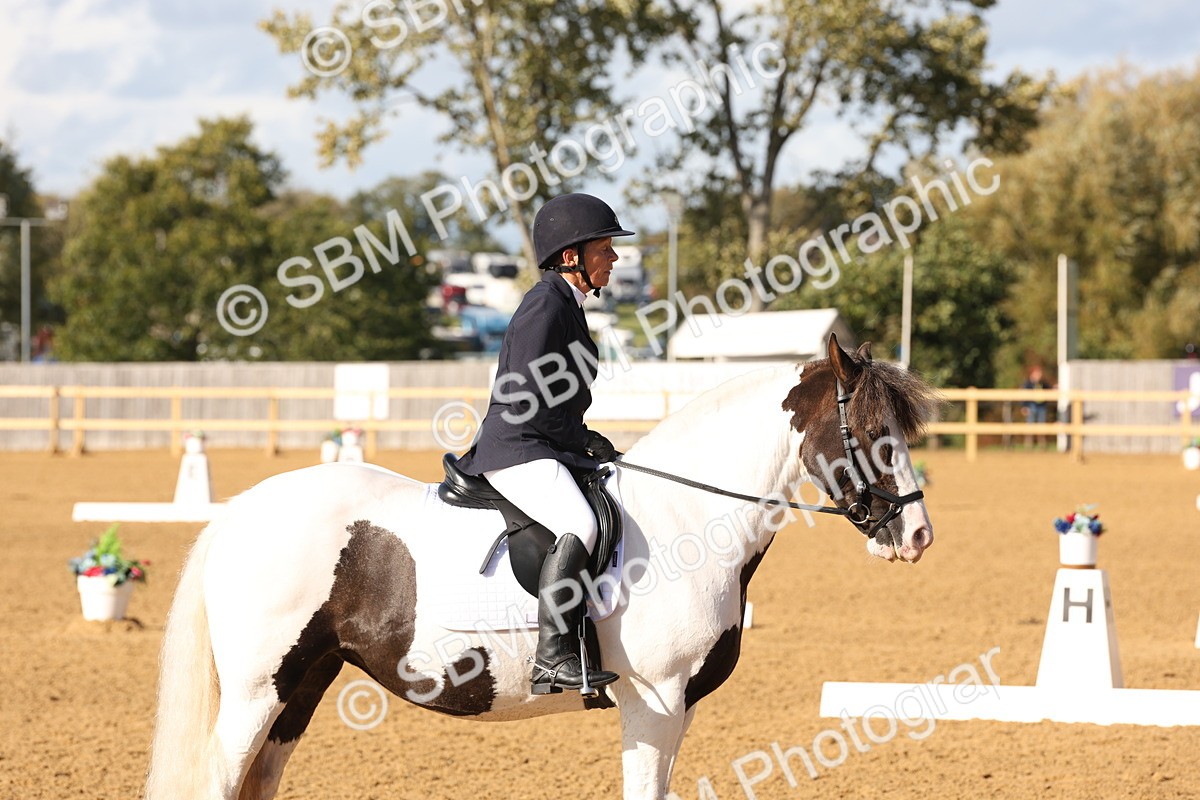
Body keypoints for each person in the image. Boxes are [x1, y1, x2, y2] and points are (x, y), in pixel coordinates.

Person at [455, 192, 633, 695]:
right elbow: (528, 397)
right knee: (580, 523)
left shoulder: (567, 305)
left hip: (544, 443)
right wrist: (578, 440)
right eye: (605, 249)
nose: (614, 257)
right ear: (571, 255)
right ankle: (552, 658)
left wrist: (582, 439)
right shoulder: (545, 304)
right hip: (519, 447)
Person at [1021, 365, 1051, 448]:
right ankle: (1028, 444)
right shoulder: (1027, 384)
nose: (1039, 375)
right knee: (1030, 426)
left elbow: (1050, 390)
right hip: (1031, 406)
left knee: (1042, 426)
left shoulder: (1043, 383)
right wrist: (1024, 406)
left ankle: (1042, 444)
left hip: (1041, 407)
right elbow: (1024, 396)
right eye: (1037, 373)